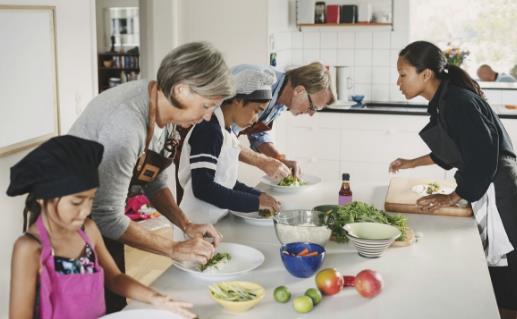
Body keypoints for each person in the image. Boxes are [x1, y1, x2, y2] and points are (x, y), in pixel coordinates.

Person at [68, 42, 234, 312]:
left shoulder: (167, 112)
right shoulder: (124, 124)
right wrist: (172, 248)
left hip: (100, 220)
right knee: (86, 308)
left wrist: (186, 224)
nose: (207, 118)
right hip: (64, 229)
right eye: (206, 105)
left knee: (113, 304)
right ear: (181, 89)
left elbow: (153, 181)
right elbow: (107, 216)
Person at [390, 41, 517, 319]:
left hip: (499, 191)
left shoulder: (458, 102)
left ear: (425, 75)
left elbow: (483, 155)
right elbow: (453, 151)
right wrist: (411, 163)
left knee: (508, 278)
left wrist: (452, 196)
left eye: (402, 74)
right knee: (496, 275)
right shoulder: (446, 100)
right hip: (490, 185)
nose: (398, 82)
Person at [7, 135, 197, 319]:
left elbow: (114, 278)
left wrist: (156, 298)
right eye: (76, 202)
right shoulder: (30, 248)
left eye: (90, 200)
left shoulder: (88, 230)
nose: (84, 211)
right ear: (42, 198)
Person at [176, 68, 281, 232]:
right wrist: (256, 202)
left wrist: (258, 196)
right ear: (238, 101)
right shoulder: (209, 130)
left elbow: (227, 182)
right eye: (256, 111)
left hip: (215, 220)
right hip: (197, 223)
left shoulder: (226, 132)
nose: (256, 120)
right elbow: (203, 188)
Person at [234, 62, 336, 178]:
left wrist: (279, 159)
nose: (311, 114)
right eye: (312, 107)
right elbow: (224, 137)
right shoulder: (258, 82)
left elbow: (258, 132)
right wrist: (263, 162)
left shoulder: (285, 97)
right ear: (299, 91)